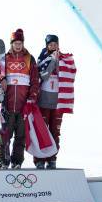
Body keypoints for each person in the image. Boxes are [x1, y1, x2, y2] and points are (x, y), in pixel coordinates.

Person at [0, 29, 39, 169]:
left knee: (21, 135)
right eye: (15, 43)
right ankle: (1, 161)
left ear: (23, 43)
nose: (18, 45)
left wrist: (31, 99)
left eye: (20, 43)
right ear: (11, 44)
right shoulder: (5, 58)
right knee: (5, 134)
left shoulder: (30, 58)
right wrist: (2, 78)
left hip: (24, 104)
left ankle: (17, 161)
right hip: (8, 103)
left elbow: (35, 81)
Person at [34, 34, 74, 170]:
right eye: (50, 44)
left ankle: (52, 159)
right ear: (46, 46)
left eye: (55, 44)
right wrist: (52, 61)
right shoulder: (43, 59)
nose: (53, 46)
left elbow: (71, 73)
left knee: (55, 132)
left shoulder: (64, 59)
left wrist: (61, 62)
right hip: (44, 101)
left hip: (58, 102)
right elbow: (43, 75)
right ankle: (40, 159)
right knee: (42, 131)